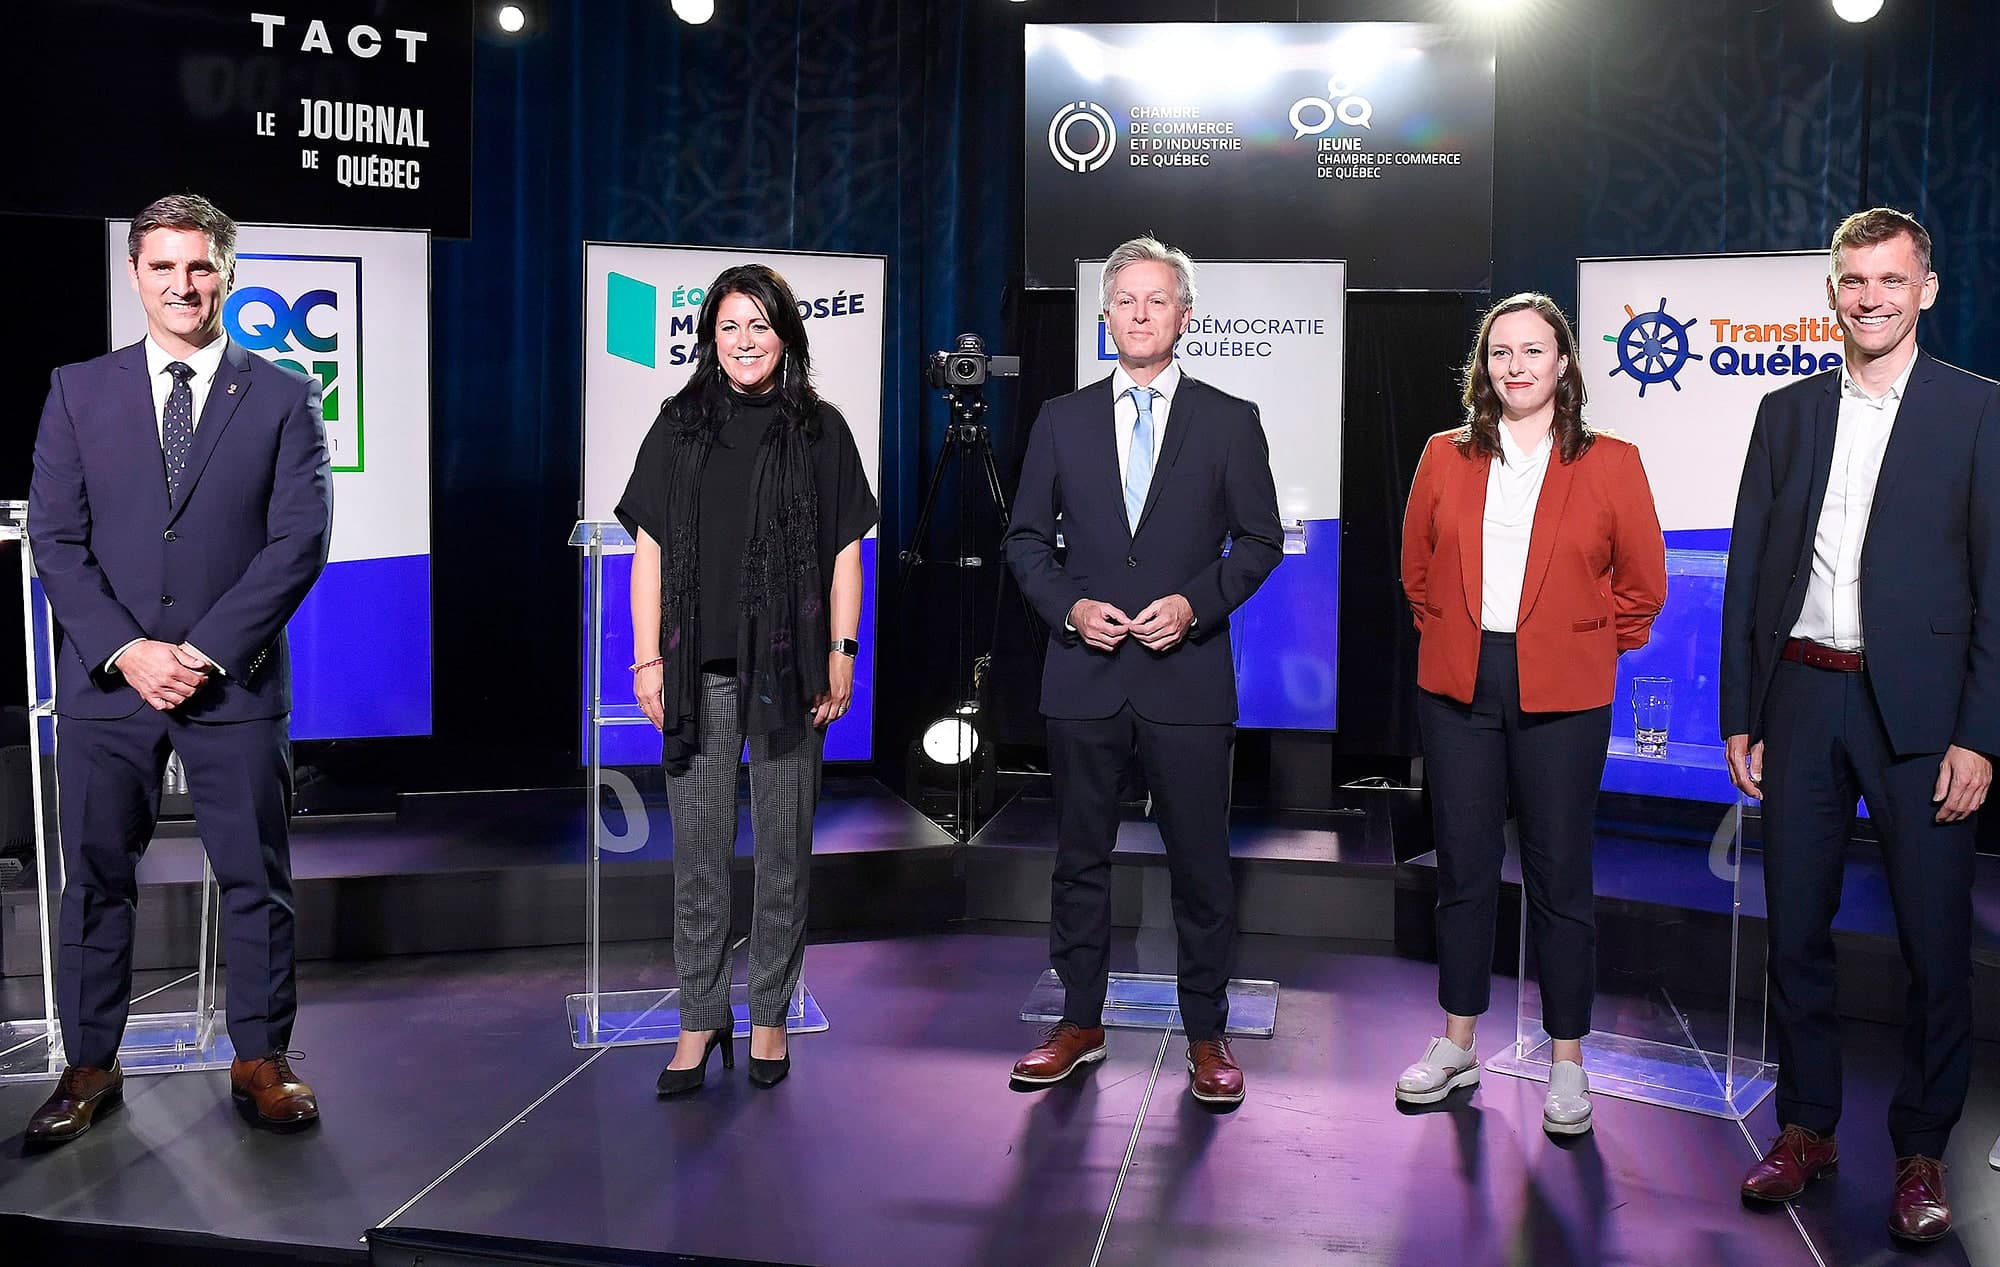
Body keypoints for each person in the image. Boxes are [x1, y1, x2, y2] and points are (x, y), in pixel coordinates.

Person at [25, 193, 333, 1144]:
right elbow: (56, 537)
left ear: (226, 273)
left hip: (231, 685)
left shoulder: (285, 395)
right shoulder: (77, 389)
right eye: (163, 267)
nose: (182, 285)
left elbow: (299, 540)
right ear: (135, 275)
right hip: (107, 685)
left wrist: (199, 652)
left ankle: (260, 1059)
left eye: (199, 266)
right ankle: (89, 1065)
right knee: (97, 879)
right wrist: (129, 650)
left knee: (255, 879)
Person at [1722, 208, 1999, 1244]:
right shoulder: (1783, 412)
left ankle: (1920, 1147)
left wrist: (1979, 733)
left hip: (1923, 719)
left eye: (1889, 280)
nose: (1869, 297)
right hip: (1797, 694)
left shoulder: (1977, 412)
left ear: (1923, 289)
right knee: (1794, 929)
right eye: (1852, 281)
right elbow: (1749, 571)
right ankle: (1805, 1125)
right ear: (1830, 292)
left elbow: (1995, 587)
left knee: (1933, 942)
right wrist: (1738, 713)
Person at [1003, 236, 1283, 1107]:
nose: (1138, 313)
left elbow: (1261, 542)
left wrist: (1195, 604)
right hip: (1083, 674)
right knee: (1079, 859)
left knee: (1200, 863)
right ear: (1105, 317)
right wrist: (1071, 608)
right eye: (1124, 300)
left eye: (1156, 300)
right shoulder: (1060, 417)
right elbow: (1022, 541)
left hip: (1186, 677)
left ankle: (1206, 1030)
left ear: (1185, 318)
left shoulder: (1230, 418)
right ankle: (1079, 1021)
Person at [1395, 293, 1666, 1135]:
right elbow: (1416, 572)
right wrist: (1455, 638)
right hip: (1459, 684)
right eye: (1501, 352)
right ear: (1486, 366)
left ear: (1563, 364)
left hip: (1565, 691)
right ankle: (1457, 1043)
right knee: (1466, 868)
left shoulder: (1611, 460)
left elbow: (1642, 586)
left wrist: (1580, 643)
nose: (1516, 366)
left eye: (1533, 351)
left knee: (1560, 875)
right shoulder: (1444, 456)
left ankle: (1568, 1059)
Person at [616, 263, 876, 1095]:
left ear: (786, 335)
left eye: (759, 326)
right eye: (728, 327)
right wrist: (647, 657)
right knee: (696, 853)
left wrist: (842, 652)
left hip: (791, 672)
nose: (744, 341)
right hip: (695, 674)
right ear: (709, 340)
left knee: (783, 854)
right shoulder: (679, 424)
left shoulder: (820, 429)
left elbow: (845, 552)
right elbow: (648, 550)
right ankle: (699, 1020)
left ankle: (768, 1015)